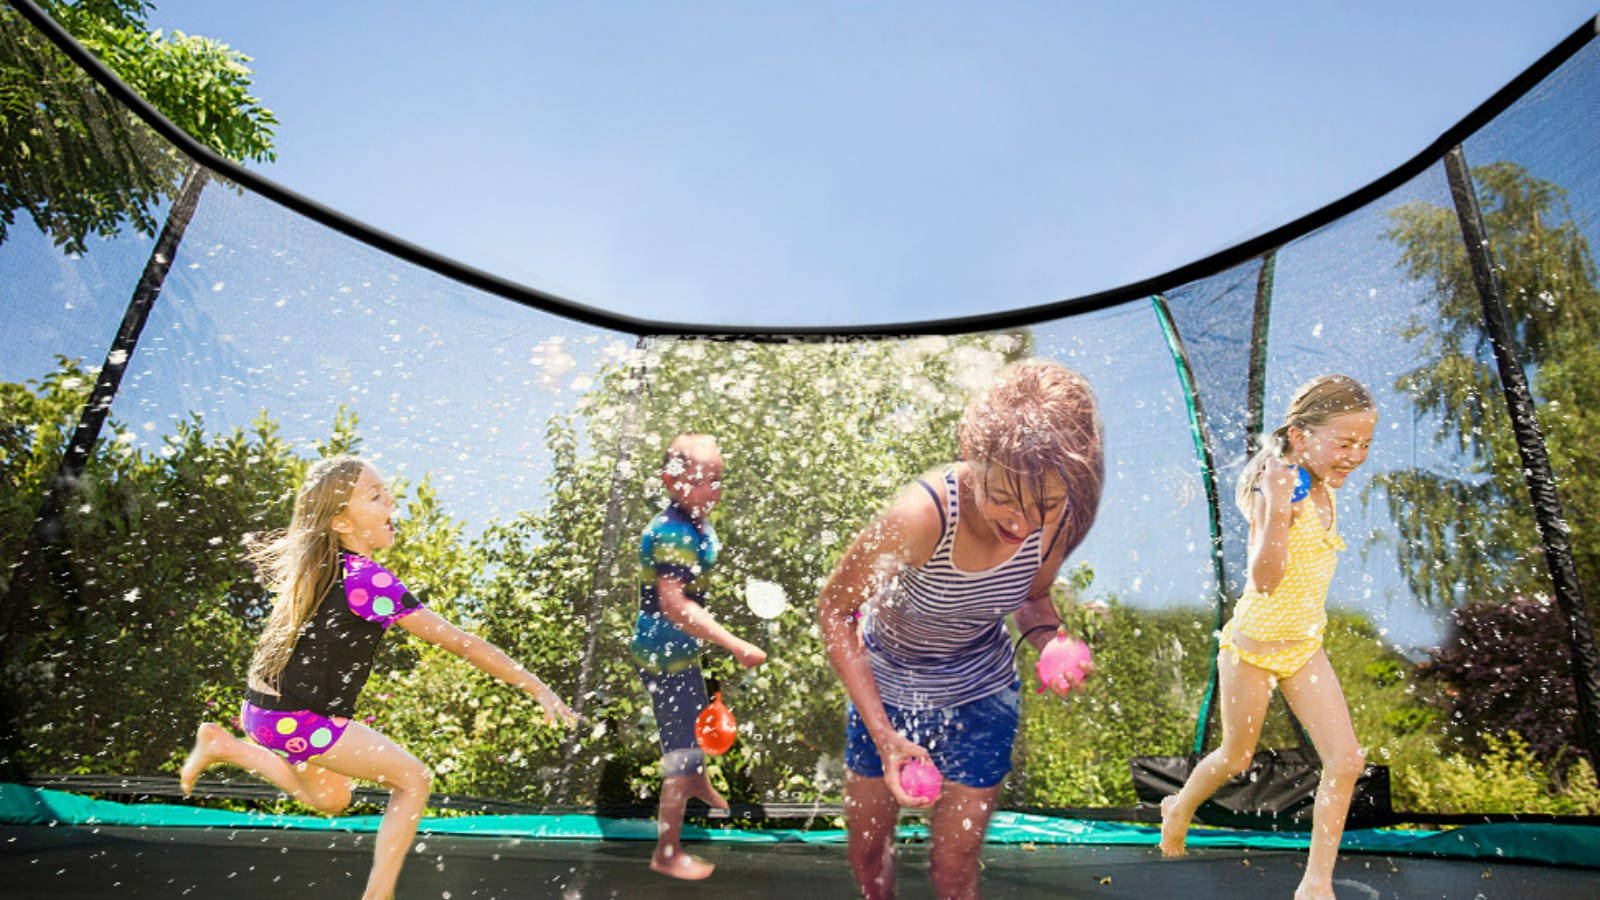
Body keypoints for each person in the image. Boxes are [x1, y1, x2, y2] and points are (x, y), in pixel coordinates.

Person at [178, 456, 578, 900]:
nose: (391, 500)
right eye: (375, 495)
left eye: (386, 491)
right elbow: (461, 643)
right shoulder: (366, 579)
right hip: (301, 719)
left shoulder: (318, 571)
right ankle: (379, 896)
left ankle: (223, 744)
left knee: (332, 799)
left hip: (264, 713)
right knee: (413, 780)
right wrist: (536, 685)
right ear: (340, 520)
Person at [818, 359, 1104, 900]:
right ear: (975, 458)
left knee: (954, 870)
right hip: (887, 691)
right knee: (867, 854)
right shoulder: (919, 518)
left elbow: (1035, 597)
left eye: (1043, 505)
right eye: (1005, 499)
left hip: (982, 696)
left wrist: (1050, 639)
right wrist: (885, 737)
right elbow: (835, 610)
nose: (1021, 526)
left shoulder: (1057, 520)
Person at [1159, 375, 1377, 900]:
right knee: (1236, 757)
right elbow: (1264, 578)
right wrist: (1278, 509)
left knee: (1346, 761)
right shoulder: (1277, 487)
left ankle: (1315, 885)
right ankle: (1179, 806)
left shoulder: (1322, 483)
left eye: (1365, 444)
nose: (1355, 455)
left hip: (1304, 646)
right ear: (1301, 438)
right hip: (1252, 649)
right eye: (1344, 443)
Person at [629, 432, 766, 880]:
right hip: (662, 652)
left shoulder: (694, 520)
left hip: (680, 649)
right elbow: (674, 605)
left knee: (693, 724)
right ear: (671, 482)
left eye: (718, 481)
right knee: (681, 751)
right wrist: (734, 644)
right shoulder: (671, 531)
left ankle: (697, 780)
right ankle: (666, 852)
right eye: (703, 481)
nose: (713, 491)